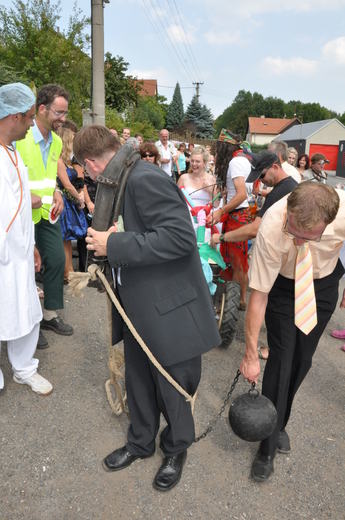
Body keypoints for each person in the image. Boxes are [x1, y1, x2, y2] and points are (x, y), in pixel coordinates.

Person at [73, 125, 220, 492]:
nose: (88, 176)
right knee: (138, 379)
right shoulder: (123, 178)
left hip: (168, 307)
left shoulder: (144, 179)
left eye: (86, 170)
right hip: (138, 304)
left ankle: (175, 448)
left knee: (173, 385)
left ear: (91, 164)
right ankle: (140, 442)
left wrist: (114, 245)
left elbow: (180, 238)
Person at [240, 181, 345, 482]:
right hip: (283, 287)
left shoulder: (343, 210)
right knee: (281, 360)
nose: (298, 241)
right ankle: (267, 446)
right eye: (293, 233)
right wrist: (249, 354)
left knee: (302, 360)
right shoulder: (273, 224)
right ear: (289, 213)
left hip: (323, 282)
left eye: (307, 237)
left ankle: (279, 422)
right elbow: (258, 296)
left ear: (329, 222)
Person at [210, 151, 298, 359]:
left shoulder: (281, 192)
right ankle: (278, 347)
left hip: (285, 260)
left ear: (276, 167)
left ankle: (274, 349)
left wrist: (222, 238)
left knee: (277, 308)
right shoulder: (287, 186)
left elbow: (253, 230)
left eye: (263, 175)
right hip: (287, 256)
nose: (261, 180)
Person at [0, 82, 53, 394]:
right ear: (15, 117)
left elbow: (17, 204)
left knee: (27, 309)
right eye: (31, 117)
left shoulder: (12, 152)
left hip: (19, 251)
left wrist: (30, 244)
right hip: (3, 253)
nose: (33, 123)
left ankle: (23, 368)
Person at [16, 84, 73, 349]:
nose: (63, 118)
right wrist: (26, 197)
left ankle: (49, 314)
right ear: (41, 109)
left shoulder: (57, 140)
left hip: (48, 212)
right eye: (59, 113)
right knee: (27, 266)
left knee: (56, 258)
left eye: (65, 113)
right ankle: (29, 324)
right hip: (20, 213)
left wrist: (58, 191)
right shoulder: (19, 138)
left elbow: (48, 176)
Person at [207, 137, 253, 310]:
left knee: (236, 260)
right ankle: (237, 297)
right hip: (243, 213)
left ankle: (239, 300)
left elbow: (241, 194)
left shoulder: (235, 162)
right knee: (238, 259)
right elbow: (248, 191)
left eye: (219, 149)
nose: (217, 154)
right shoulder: (244, 159)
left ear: (226, 147)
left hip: (238, 215)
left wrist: (221, 210)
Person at [56, 126, 88, 281]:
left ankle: (69, 271)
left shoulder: (69, 161)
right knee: (63, 239)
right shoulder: (58, 160)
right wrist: (79, 198)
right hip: (63, 201)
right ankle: (66, 272)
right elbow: (67, 184)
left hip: (70, 201)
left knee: (67, 239)